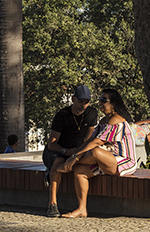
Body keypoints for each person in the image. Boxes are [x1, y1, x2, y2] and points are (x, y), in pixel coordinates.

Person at [57, 88, 136, 218]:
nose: (100, 103)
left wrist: (74, 157)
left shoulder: (116, 120)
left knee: (95, 152)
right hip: (105, 159)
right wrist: (74, 156)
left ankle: (67, 165)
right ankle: (82, 209)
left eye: (103, 100)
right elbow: (89, 140)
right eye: (99, 100)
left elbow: (97, 143)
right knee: (80, 171)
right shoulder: (103, 121)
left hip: (123, 161)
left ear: (113, 103)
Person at [43, 85, 98, 218]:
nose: (83, 105)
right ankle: (52, 204)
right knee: (58, 161)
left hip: (76, 152)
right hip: (57, 151)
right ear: (73, 99)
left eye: (86, 102)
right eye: (80, 101)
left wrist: (76, 155)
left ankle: (81, 207)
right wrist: (67, 152)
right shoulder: (62, 116)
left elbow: (87, 139)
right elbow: (52, 144)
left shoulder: (91, 113)